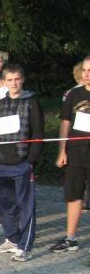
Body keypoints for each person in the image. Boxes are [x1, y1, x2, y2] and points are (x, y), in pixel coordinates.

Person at [0, 64, 44, 262]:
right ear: (4, 82)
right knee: (5, 205)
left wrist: (31, 161)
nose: (14, 83)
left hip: (22, 163)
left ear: (23, 80)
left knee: (25, 206)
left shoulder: (32, 102)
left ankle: (25, 246)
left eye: (17, 79)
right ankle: (12, 239)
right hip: (0, 163)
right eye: (10, 80)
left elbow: (38, 134)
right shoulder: (1, 104)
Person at [52, 56, 90, 253]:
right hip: (76, 154)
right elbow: (65, 123)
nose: (87, 74)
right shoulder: (74, 94)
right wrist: (62, 150)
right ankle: (71, 238)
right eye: (84, 70)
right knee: (74, 195)